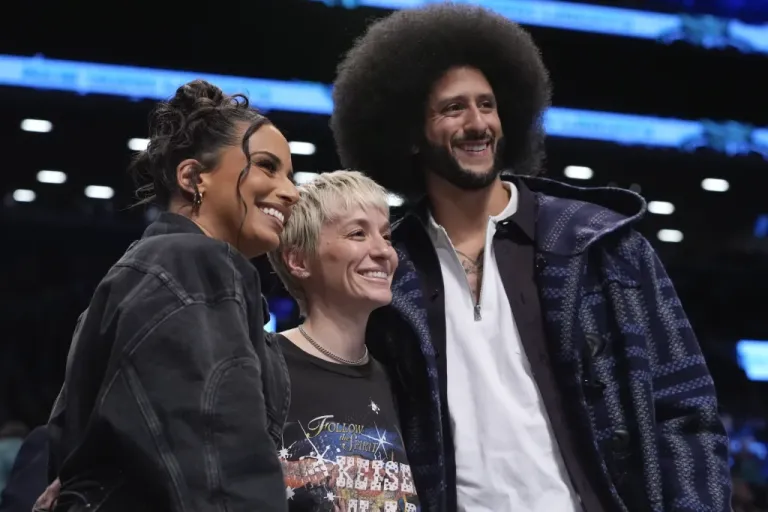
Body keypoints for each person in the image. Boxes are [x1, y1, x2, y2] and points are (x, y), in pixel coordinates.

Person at [331, 4, 731, 512]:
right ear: (409, 134)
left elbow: (685, 410)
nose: (478, 124)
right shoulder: (388, 270)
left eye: (488, 105)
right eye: (453, 109)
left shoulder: (604, 246)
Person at [44, 80, 299, 511]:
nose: (291, 191)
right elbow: (220, 467)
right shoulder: (192, 263)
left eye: (289, 174)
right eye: (267, 167)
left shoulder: (150, 268)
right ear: (194, 177)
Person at [267, 170, 420, 512]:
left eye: (386, 235)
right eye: (357, 233)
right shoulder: (260, 367)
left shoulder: (405, 381)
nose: (384, 252)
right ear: (299, 260)